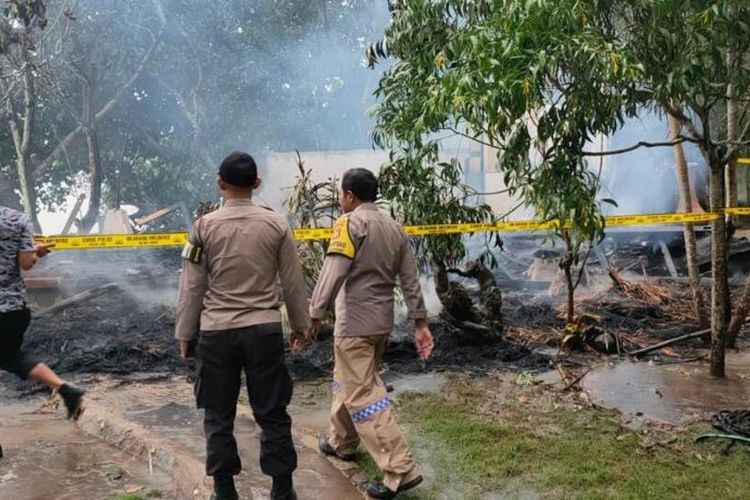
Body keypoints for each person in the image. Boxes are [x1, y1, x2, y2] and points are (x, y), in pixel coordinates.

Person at [175, 152, 310, 500]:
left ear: (220, 182)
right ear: (257, 183)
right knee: (273, 412)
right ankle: (282, 488)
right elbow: (292, 281)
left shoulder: (203, 227)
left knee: (218, 414)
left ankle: (223, 489)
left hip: (217, 334)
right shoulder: (277, 224)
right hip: (264, 331)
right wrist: (299, 325)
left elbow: (192, 286)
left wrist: (185, 334)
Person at [305, 168, 435, 499]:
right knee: (345, 380)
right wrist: (420, 323)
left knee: (365, 395)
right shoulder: (395, 229)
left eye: (340, 194)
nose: (339, 199)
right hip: (380, 325)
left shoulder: (349, 224)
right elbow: (410, 280)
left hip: (354, 326)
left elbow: (333, 271)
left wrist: (314, 314)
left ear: (349, 196)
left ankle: (399, 469)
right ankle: (342, 442)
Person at [0, 206, 86, 439]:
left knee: (11, 357)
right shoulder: (16, 219)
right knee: (12, 356)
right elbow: (26, 263)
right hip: (13, 310)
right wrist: (36, 251)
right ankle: (65, 389)